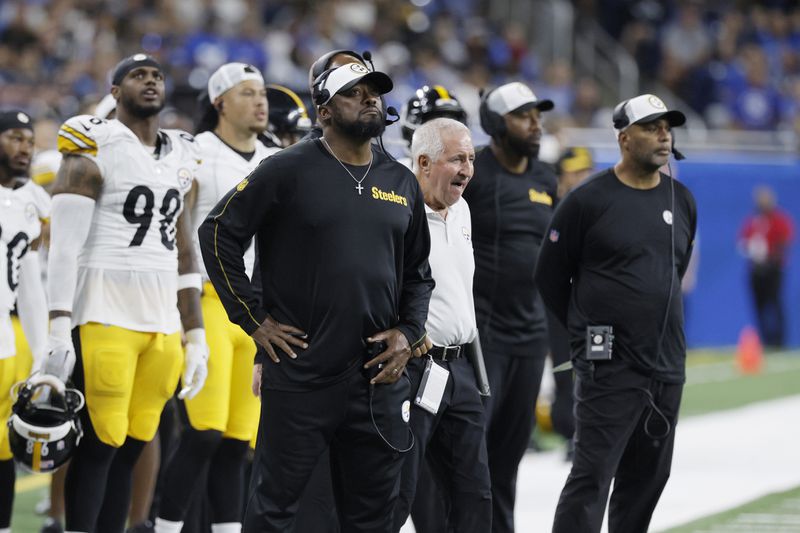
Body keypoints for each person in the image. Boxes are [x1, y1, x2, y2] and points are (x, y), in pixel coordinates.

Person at [198, 62, 434, 532]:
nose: (370, 99)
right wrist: (254, 320)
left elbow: (419, 274)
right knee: (274, 508)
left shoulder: (401, 179)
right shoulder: (286, 168)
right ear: (324, 111)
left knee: (373, 514)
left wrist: (409, 332)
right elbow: (218, 232)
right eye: (354, 93)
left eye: (374, 92)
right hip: (303, 373)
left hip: (377, 378)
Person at [44, 53, 209, 533]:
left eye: (157, 74)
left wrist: (195, 333)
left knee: (136, 440)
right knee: (101, 443)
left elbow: (184, 251)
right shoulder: (94, 140)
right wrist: (58, 326)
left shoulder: (183, 152)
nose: (151, 81)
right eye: (137, 75)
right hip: (103, 310)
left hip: (161, 320)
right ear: (114, 91)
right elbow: (64, 246)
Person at [536, 94, 697, 533]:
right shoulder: (588, 201)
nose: (663, 134)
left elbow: (672, 272)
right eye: (651, 127)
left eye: (667, 126)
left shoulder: (681, 199)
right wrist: (584, 334)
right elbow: (550, 277)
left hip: (666, 364)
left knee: (647, 480)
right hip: (609, 367)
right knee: (591, 477)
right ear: (625, 138)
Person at [154, 62, 279, 533]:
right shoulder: (196, 152)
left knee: (236, 441)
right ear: (220, 101)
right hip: (207, 302)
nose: (260, 100)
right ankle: (165, 527)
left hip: (256, 314)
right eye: (248, 92)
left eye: (262, 91)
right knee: (202, 434)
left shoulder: (275, 158)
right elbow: (178, 235)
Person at [461, 81, 556, 533]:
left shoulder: (546, 176)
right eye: (523, 116)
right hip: (483, 336)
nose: (535, 124)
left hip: (530, 337)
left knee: (509, 456)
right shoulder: (472, 172)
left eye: (537, 115)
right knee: (470, 453)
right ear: (496, 124)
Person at [391, 118, 491, 533]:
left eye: (470, 158)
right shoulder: (397, 209)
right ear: (425, 162)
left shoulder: (462, 208)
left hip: (460, 369)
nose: (467, 169)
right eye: (456, 159)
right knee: (399, 490)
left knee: (475, 494)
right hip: (415, 368)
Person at [0, 110, 50, 533]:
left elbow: (31, 288)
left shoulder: (32, 199)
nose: (24, 148)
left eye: (29, 140)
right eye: (15, 138)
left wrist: (39, 357)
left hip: (5, 336)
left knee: (2, 445)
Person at [548, 146, 595, 459]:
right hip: (558, 302)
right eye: (575, 172)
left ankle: (590, 433)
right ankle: (568, 433)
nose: (581, 178)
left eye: (584, 171)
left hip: (591, 301)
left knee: (595, 368)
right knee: (564, 369)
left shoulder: (599, 207)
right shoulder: (550, 207)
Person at [738, 185, 794, 348]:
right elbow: (743, 241)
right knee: (759, 306)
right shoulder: (754, 221)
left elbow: (784, 242)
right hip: (756, 269)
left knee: (775, 305)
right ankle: (765, 339)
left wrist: (771, 259)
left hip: (773, 269)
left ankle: (779, 340)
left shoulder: (779, 220)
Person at [397, 85, 468, 168]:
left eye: (452, 126)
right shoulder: (394, 176)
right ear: (409, 133)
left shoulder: (472, 174)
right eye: (435, 125)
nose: (445, 136)